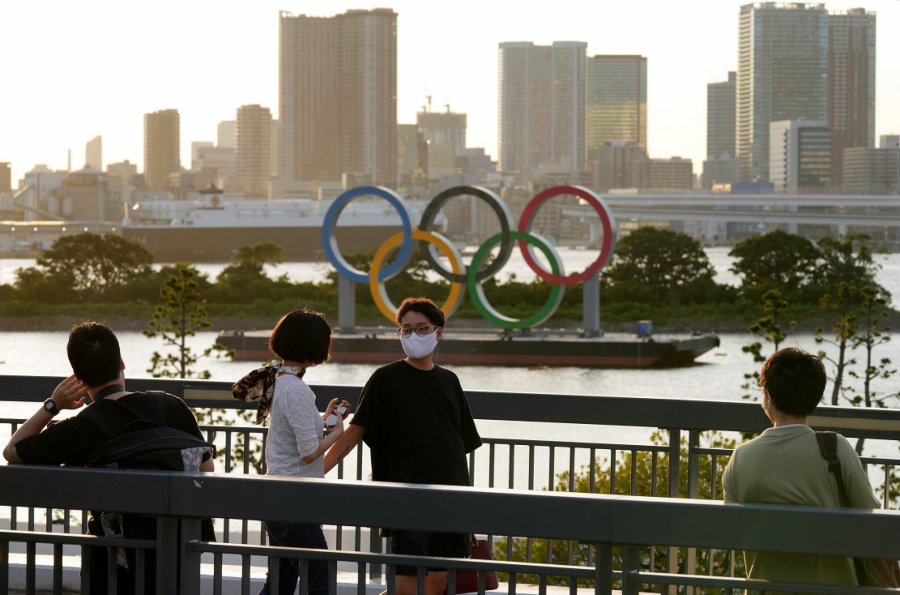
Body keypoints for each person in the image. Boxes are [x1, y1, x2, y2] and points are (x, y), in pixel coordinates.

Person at [2, 321, 215, 594]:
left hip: (112, 562)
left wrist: (53, 404)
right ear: (121, 363)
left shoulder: (82, 427)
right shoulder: (172, 405)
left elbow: (12, 451)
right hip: (173, 554)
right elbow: (206, 469)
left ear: (79, 378)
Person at [324, 296, 483, 595]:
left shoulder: (449, 380)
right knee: (405, 585)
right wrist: (317, 470)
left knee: (437, 583)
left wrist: (465, 500)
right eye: (406, 329)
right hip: (406, 498)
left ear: (438, 332)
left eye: (422, 328)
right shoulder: (385, 378)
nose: (414, 335)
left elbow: (458, 443)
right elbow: (356, 431)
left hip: (451, 498)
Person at [722, 347, 880, 591]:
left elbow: (732, 529)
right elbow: (872, 520)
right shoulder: (836, 449)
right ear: (814, 397)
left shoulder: (742, 457)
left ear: (768, 397)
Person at [232, 309, 350, 595]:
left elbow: (293, 430)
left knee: (280, 583)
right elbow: (309, 453)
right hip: (293, 502)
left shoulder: (281, 380)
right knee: (319, 577)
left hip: (279, 498)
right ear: (315, 347)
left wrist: (323, 419)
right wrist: (337, 433)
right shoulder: (295, 389)